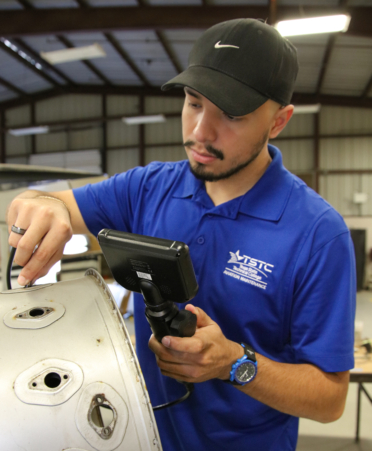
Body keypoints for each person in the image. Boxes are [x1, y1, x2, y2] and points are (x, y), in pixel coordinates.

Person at [7, 18, 356, 451]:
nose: (200, 133)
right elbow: (60, 204)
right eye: (194, 103)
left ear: (279, 121)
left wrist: (234, 363)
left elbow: (330, 398)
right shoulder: (147, 187)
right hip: (142, 438)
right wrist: (44, 206)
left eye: (231, 115)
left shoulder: (317, 234)